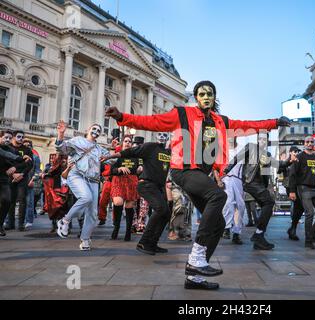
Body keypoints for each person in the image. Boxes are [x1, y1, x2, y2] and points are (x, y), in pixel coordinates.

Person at [106, 80, 290, 290]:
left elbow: (247, 125)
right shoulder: (183, 114)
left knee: (218, 225)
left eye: (209, 94)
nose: (205, 97)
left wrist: (274, 122)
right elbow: (152, 121)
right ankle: (196, 258)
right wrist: (122, 117)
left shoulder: (220, 121)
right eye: (201, 94)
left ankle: (194, 277)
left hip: (200, 175)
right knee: (218, 197)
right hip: (183, 170)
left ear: (214, 97)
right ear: (196, 97)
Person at [101, 132, 172, 253]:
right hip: (146, 184)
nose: (162, 137)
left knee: (166, 213)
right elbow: (129, 152)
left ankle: (153, 243)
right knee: (160, 209)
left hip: (158, 186)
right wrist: (109, 157)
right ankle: (143, 242)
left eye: (165, 135)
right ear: (156, 135)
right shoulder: (150, 146)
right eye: (159, 133)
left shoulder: (169, 152)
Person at [55, 121, 111, 251]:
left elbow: (113, 159)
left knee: (92, 213)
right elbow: (62, 148)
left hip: (93, 180)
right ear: (88, 129)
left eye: (98, 130)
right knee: (86, 197)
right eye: (94, 128)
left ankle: (85, 239)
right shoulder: (78, 140)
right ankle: (65, 220)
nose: (96, 131)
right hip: (77, 175)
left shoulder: (99, 148)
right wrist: (61, 133)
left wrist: (116, 151)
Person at [289, 136, 315, 249]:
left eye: (312, 142)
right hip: (303, 188)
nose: (310, 143)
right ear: (304, 143)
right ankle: (308, 240)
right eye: (307, 142)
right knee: (310, 213)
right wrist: (292, 191)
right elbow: (292, 174)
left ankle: (314, 235)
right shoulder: (299, 157)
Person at [0, 130, 32, 236]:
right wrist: (14, 168)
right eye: (6, 138)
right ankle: (7, 223)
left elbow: (27, 163)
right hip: (9, 178)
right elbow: (6, 155)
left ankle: (4, 224)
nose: (8, 140)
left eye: (9, 138)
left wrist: (18, 171)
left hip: (6, 179)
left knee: (8, 201)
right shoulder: (6, 150)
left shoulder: (15, 149)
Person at [108, 135, 140, 241]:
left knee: (129, 206)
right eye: (125, 141)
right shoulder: (118, 155)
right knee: (117, 202)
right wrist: (119, 168)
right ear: (122, 143)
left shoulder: (136, 156)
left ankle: (127, 232)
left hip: (132, 181)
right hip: (119, 180)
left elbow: (140, 169)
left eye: (129, 141)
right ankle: (116, 228)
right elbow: (111, 170)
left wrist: (140, 169)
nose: (127, 143)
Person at [278, 146, 304, 241]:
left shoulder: (298, 161)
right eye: (294, 151)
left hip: (298, 186)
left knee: (299, 206)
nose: (296, 153)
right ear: (290, 152)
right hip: (289, 186)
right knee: (296, 205)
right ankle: (293, 228)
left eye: (297, 151)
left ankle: (293, 227)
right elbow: (279, 169)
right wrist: (287, 162)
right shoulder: (287, 161)